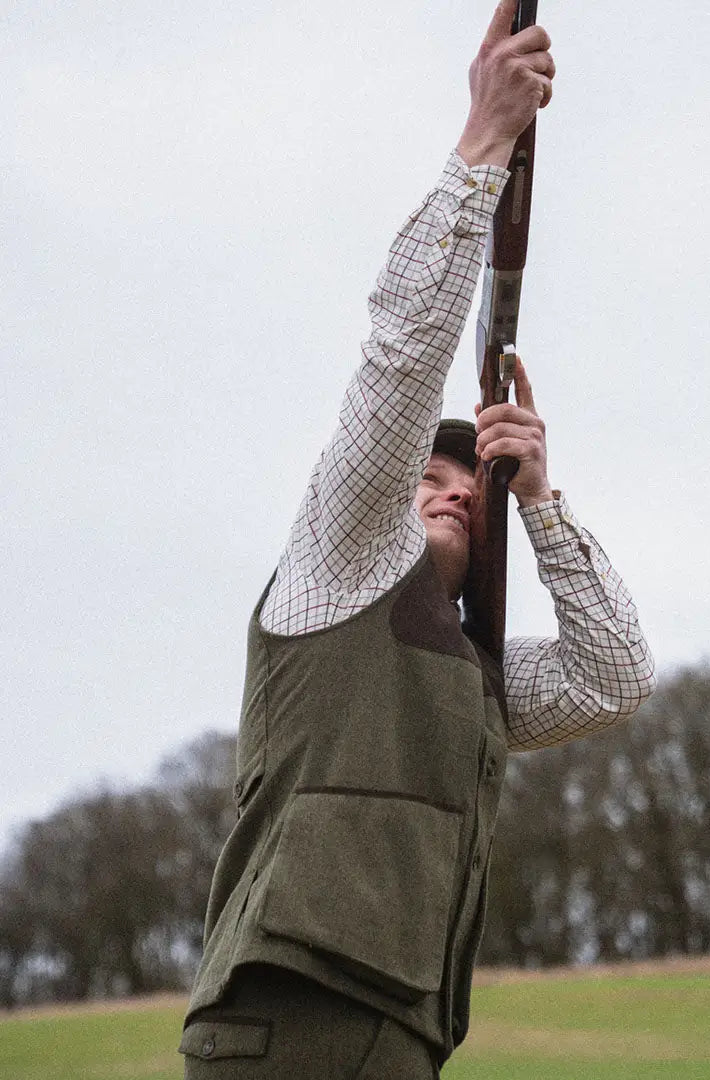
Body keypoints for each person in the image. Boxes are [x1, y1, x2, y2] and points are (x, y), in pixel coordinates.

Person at [179, 2, 655, 1076]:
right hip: (292, 1021)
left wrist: (537, 501)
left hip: (399, 1034)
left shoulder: (470, 671)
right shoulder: (337, 567)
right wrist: (484, 142)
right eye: (424, 476)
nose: (448, 491)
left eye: (466, 483)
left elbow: (615, 676)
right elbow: (400, 359)